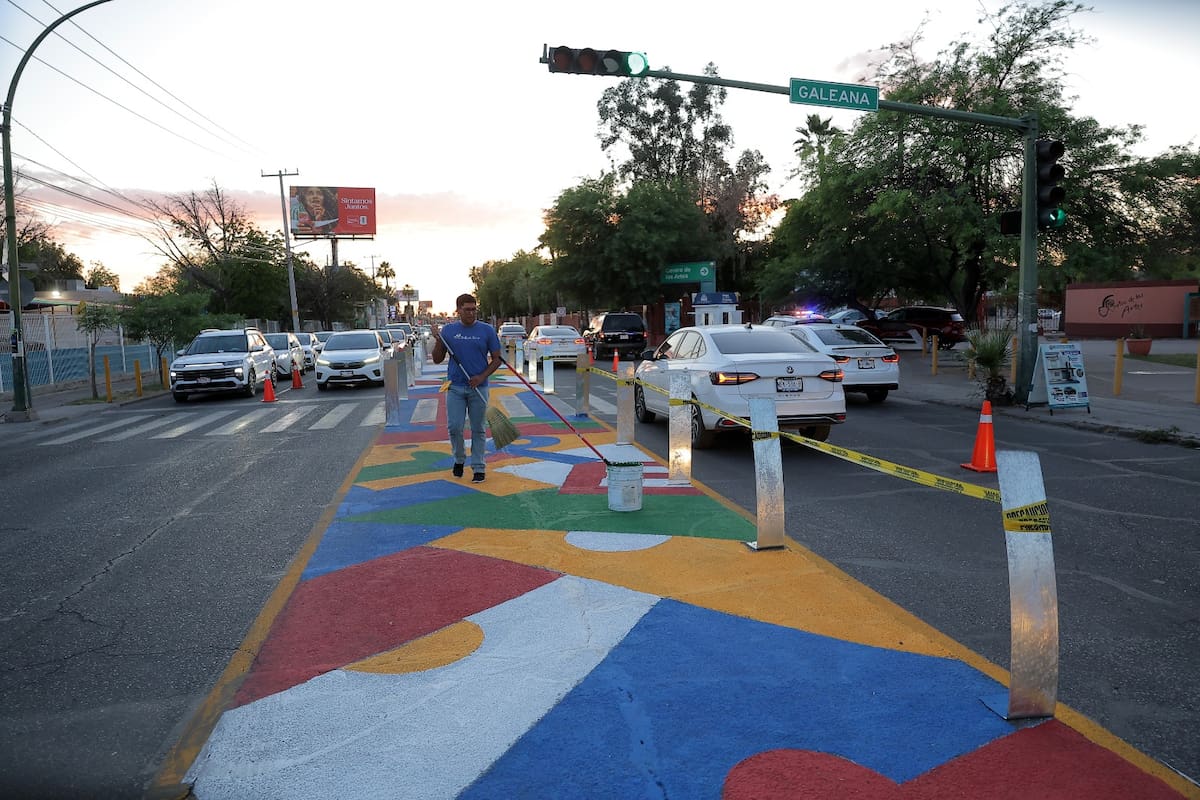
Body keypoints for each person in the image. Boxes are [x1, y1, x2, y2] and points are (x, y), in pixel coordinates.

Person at [431, 294, 502, 483]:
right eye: (467, 309)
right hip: (455, 387)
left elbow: (497, 359)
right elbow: (437, 358)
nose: (471, 313)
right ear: (459, 310)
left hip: (479, 388)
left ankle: (478, 466)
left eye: (474, 309)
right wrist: (438, 340)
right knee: (454, 427)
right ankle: (459, 459)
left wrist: (481, 377)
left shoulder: (486, 330)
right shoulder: (449, 330)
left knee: (478, 429)